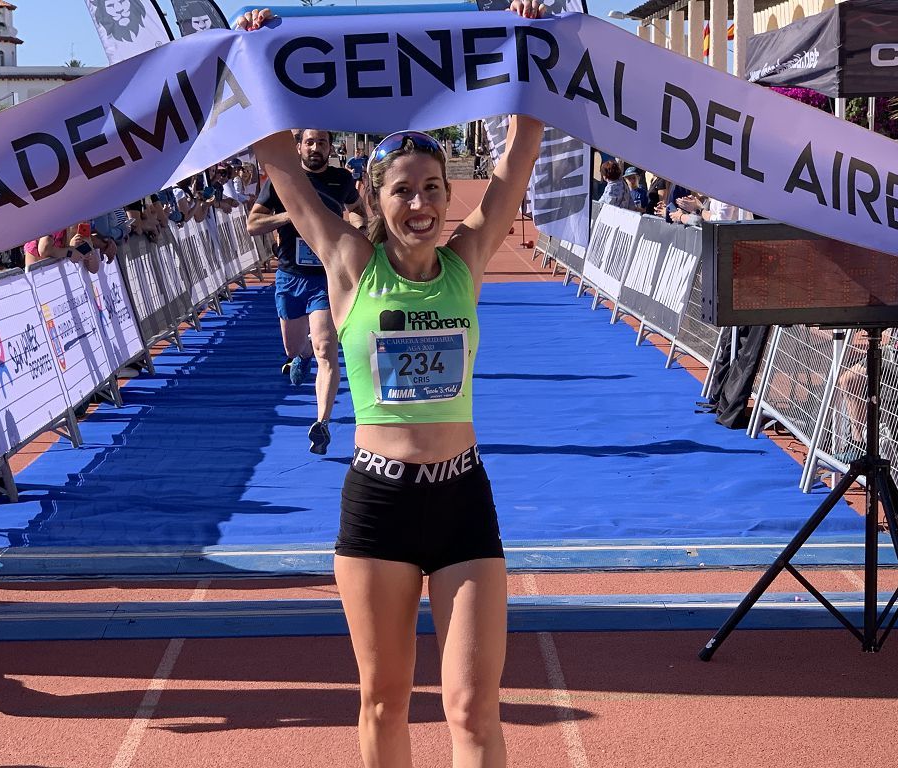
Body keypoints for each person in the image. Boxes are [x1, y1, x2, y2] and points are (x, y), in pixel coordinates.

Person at [244, 4, 544, 765]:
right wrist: (256, 53)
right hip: (378, 504)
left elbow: (520, 151)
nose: (421, 205)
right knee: (383, 703)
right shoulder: (349, 267)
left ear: (450, 197)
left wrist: (528, 40)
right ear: (375, 200)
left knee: (474, 708)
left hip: (462, 500)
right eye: (404, 191)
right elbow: (280, 162)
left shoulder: (466, 262)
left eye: (434, 190)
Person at [247, 128, 369, 454]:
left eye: (322, 142)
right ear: (299, 146)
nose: (316, 148)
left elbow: (359, 212)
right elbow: (253, 224)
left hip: (327, 276)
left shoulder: (341, 180)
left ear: (331, 147)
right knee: (294, 345)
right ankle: (299, 356)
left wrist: (355, 231)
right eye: (310, 142)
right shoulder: (283, 180)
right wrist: (291, 214)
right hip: (290, 277)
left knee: (326, 349)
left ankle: (322, 424)